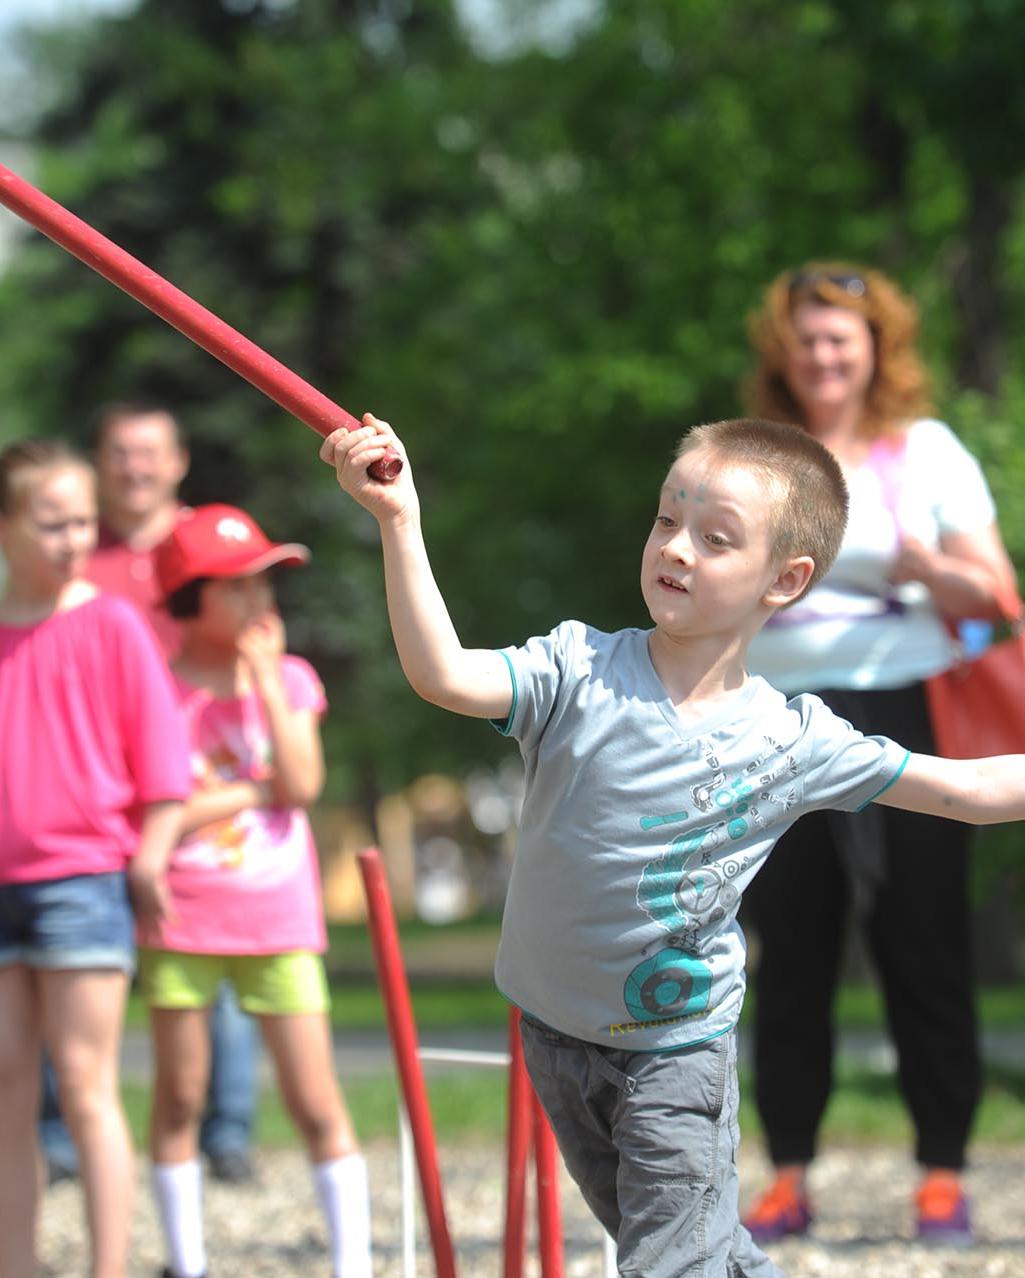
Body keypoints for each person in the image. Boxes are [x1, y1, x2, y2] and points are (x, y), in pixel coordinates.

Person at [321, 411, 1025, 1276]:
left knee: (669, 1263)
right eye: (665, 521)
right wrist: (399, 523)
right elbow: (443, 674)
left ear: (784, 578)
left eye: (715, 537)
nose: (677, 548)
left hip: (675, 1052)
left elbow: (971, 790)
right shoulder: (574, 671)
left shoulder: (792, 740)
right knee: (696, 1250)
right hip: (552, 1030)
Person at [740, 264, 1016, 1245]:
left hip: (903, 702)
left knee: (921, 938)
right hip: (774, 714)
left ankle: (940, 1173)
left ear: (872, 349)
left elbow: (992, 594)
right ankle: (785, 1174)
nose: (822, 355)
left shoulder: (925, 451)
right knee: (789, 944)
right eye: (806, 338)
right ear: (783, 350)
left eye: (839, 339)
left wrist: (921, 566)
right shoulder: (759, 455)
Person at [0, 440, 189, 1278]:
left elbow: (165, 767)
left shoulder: (114, 625)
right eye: (51, 523)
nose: (72, 539)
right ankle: (15, 1264)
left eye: (83, 521)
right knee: (1, 1088)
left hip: (82, 884)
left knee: (86, 1082)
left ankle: (107, 1268)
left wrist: (150, 858)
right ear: (0, 527)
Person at [142, 503, 372, 1278]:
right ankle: (187, 1263)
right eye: (235, 586)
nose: (256, 600)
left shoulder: (293, 679)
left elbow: (301, 785)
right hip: (182, 921)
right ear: (187, 597)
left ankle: (351, 1263)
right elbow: (156, 816)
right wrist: (249, 792)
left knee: (315, 1103)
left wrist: (268, 683)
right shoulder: (156, 689)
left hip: (279, 921)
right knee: (179, 1099)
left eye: (264, 582)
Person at [40, 401, 261, 1187]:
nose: (135, 468)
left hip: (193, 778)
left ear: (178, 462)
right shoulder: (73, 551)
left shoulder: (207, 545)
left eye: (149, 453)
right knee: (71, 956)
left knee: (214, 952)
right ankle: (62, 1141)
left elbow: (249, 633)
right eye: (120, 454)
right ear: (101, 465)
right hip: (95, 785)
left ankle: (226, 1132)